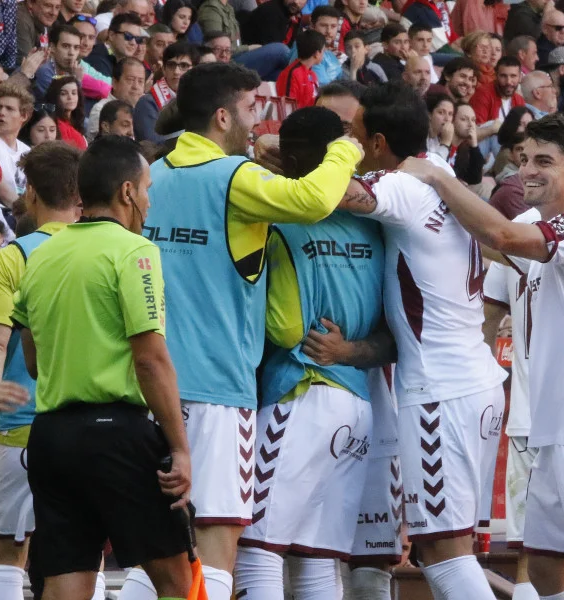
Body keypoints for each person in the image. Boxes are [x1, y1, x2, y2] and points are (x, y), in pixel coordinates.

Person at [119, 62, 363, 600]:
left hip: (149, 387)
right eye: (252, 109)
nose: (258, 122)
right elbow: (313, 200)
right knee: (217, 541)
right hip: (219, 389)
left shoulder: (152, 176)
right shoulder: (233, 177)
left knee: (160, 552)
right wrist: (344, 150)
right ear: (223, 116)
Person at [398, 111, 564, 600]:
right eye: (525, 159)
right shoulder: (533, 228)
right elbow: (494, 253)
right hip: (548, 430)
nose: (528, 170)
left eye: (544, 162)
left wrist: (438, 178)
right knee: (548, 571)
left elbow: (501, 239)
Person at [339, 81, 507, 600]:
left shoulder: (404, 187)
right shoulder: (439, 173)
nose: (349, 142)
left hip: (439, 391)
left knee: (443, 552)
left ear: (378, 143)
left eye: (354, 135)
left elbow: (337, 193)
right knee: (447, 548)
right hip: (474, 380)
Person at [13, 134, 194, 600]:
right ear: (127, 191)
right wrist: (180, 448)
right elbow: (150, 359)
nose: (149, 202)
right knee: (177, 582)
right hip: (116, 434)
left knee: (65, 585)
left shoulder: (39, 256)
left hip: (51, 436)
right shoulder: (135, 251)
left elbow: (33, 362)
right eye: (147, 189)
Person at [233, 105, 386, 600]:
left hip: (300, 392)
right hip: (357, 401)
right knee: (318, 561)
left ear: (295, 159)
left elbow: (285, 329)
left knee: (257, 550)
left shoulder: (281, 222)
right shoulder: (375, 224)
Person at [0, 140, 89, 600]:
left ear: (32, 194)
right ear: (79, 194)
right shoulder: (106, 250)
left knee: (6, 556)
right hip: (88, 428)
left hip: (21, 429)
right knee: (84, 556)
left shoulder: (13, 256)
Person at [133, 41, 196, 142]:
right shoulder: (147, 103)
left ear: (195, 70)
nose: (176, 72)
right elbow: (151, 144)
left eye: (184, 66)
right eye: (171, 65)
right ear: (163, 69)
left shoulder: (200, 100)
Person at [33, 24, 110, 104]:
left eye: (76, 47)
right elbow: (62, 105)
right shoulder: (44, 70)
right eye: (66, 46)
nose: (71, 53)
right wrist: (77, 80)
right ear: (52, 47)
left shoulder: (72, 69)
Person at [87, 56, 145, 141]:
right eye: (130, 80)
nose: (136, 86)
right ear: (114, 82)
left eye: (140, 81)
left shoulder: (145, 109)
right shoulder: (101, 109)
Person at [276, 30, 324, 110]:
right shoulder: (293, 73)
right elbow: (287, 106)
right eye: (323, 51)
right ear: (316, 54)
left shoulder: (312, 74)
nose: (323, 55)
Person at [85, 13, 144, 78]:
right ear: (111, 35)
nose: (133, 43)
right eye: (128, 36)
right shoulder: (97, 60)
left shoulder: (118, 62)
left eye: (138, 39)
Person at [470, 56, 524, 124]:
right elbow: (476, 127)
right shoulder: (483, 94)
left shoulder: (519, 100)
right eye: (503, 76)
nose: (508, 82)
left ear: (520, 77)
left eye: (513, 76)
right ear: (496, 75)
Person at [44, 75, 87, 149]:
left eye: (74, 93)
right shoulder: (56, 124)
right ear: (55, 97)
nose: (70, 97)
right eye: (63, 94)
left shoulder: (76, 121)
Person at [426, 92, 455, 160]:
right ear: (429, 114)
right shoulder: (420, 135)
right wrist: (445, 144)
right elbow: (432, 164)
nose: (447, 119)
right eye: (441, 112)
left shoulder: (437, 139)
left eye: (450, 114)